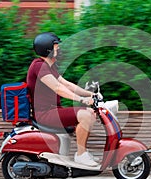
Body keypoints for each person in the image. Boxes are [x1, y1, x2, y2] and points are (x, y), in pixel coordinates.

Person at [26, 32, 98, 167]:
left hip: (53, 111)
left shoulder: (49, 67)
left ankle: (81, 153)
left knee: (91, 113)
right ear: (47, 49)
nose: (58, 49)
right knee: (86, 115)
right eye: (56, 46)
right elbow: (58, 88)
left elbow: (67, 84)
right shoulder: (39, 66)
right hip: (45, 114)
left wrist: (90, 95)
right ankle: (81, 155)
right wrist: (82, 100)